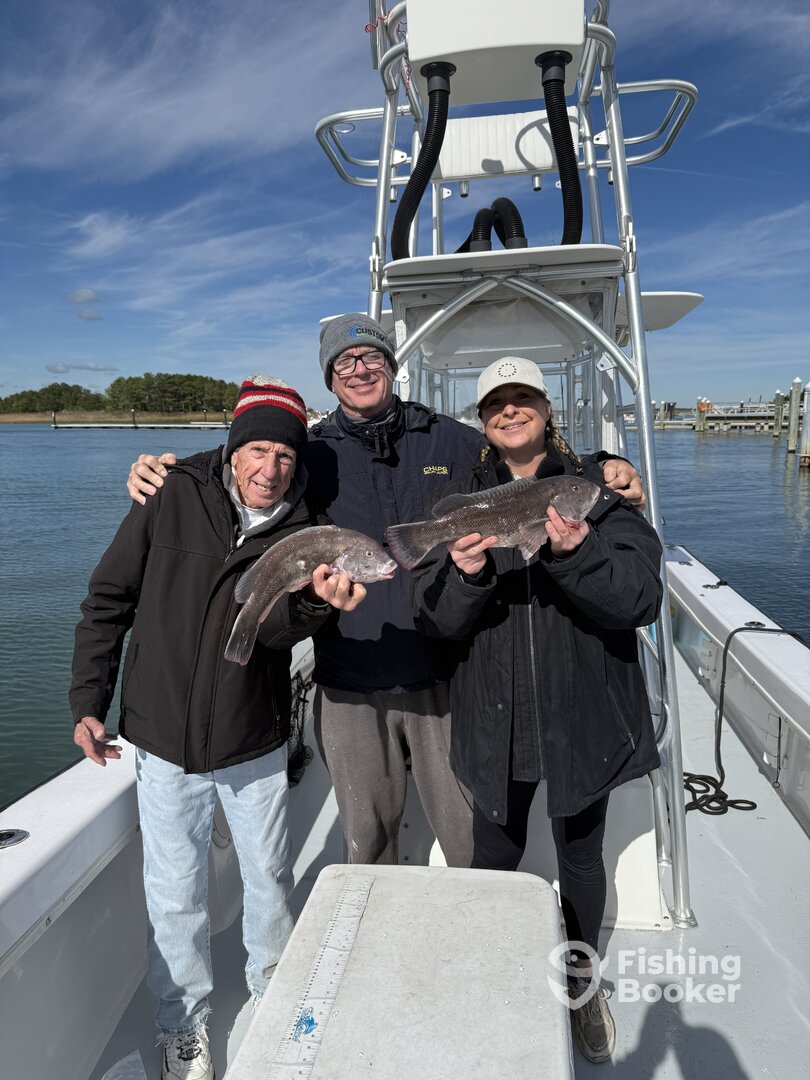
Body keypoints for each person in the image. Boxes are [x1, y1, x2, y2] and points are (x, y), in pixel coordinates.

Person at [127, 317, 646, 869]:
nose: (360, 370)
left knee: (468, 844)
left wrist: (606, 466)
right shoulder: (311, 452)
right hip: (349, 681)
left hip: (443, 682)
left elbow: (524, 465)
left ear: (392, 367)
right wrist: (166, 468)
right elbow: (251, 461)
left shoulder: (452, 438)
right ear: (329, 377)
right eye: (344, 363)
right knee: (368, 845)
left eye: (372, 358)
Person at [71, 376, 367, 1080]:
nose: (271, 469)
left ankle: (273, 1002)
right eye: (258, 449)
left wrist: (321, 609)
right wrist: (88, 699)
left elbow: (276, 638)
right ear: (233, 450)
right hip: (160, 739)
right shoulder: (168, 494)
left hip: (252, 739)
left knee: (269, 878)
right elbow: (108, 599)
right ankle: (184, 1031)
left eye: (287, 457)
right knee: (175, 895)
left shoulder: (306, 531)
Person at [410, 356, 664, 1064]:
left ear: (547, 411)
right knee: (496, 853)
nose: (511, 410)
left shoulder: (599, 493)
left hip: (584, 709)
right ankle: (497, 973)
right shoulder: (465, 500)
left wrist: (576, 555)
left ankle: (581, 981)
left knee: (581, 855)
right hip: (497, 716)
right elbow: (435, 622)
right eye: (497, 403)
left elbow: (641, 600)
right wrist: (464, 574)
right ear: (484, 421)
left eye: (524, 398)